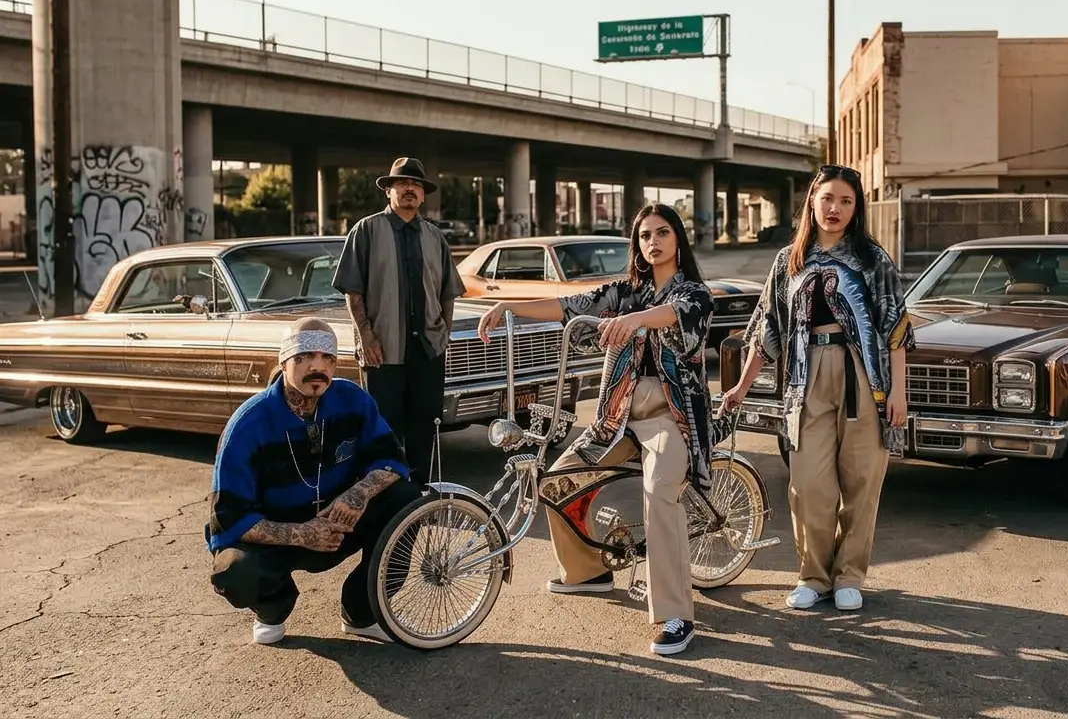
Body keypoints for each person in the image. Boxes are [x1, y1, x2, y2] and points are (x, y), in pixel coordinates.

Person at [476, 203, 714, 656]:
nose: (654, 242)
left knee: (659, 492)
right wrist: (509, 306)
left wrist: (636, 319)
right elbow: (568, 306)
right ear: (637, 244)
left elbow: (676, 315)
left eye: (663, 233)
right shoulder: (624, 292)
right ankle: (589, 571)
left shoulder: (694, 292)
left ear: (678, 240)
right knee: (557, 479)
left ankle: (676, 615)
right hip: (616, 416)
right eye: (645, 235)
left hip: (671, 416)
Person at [720, 164, 915, 612]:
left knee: (862, 479)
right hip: (804, 378)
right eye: (827, 198)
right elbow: (767, 329)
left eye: (846, 201)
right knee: (808, 484)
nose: (835, 209)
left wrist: (899, 392)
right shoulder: (788, 259)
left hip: (863, 377)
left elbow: (895, 327)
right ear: (812, 200)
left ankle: (849, 576)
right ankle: (813, 576)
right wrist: (742, 386)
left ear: (856, 208)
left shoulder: (872, 258)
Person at [205, 317, 422, 645]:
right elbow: (229, 517)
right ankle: (272, 608)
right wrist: (303, 534)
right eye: (304, 357)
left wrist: (357, 495)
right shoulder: (248, 425)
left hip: (340, 523)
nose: (317, 367)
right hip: (277, 536)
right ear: (283, 362)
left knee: (407, 501)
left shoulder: (352, 400)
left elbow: (391, 460)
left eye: (327, 358)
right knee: (234, 570)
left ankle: (362, 610)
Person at [333, 156, 465, 482]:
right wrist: (366, 336)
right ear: (388, 190)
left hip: (428, 352)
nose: (410, 189)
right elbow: (352, 289)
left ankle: (421, 496)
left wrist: (444, 336)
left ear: (422, 194)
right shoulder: (366, 231)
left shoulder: (435, 237)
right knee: (383, 431)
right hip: (383, 353)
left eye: (416, 185)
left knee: (425, 430)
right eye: (402, 183)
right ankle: (385, 496)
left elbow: (448, 293)